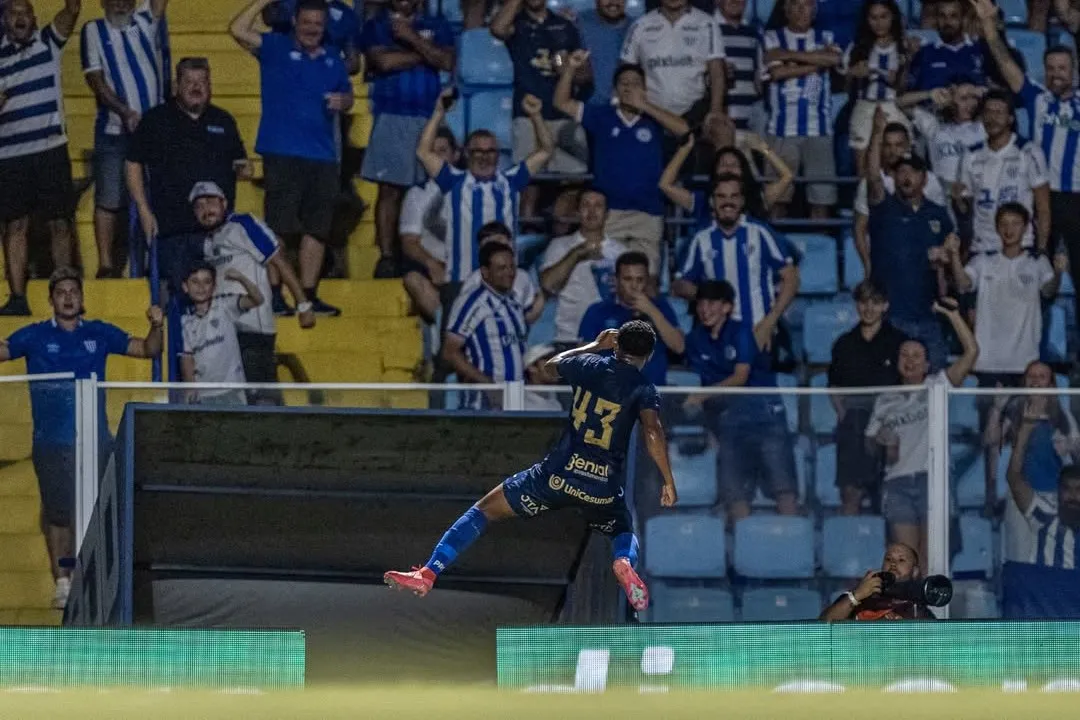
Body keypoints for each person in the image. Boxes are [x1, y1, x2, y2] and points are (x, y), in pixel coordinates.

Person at [384, 321, 679, 612]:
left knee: (484, 511)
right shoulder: (644, 388)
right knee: (622, 529)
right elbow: (652, 431)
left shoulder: (588, 364)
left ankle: (429, 573)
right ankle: (623, 562)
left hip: (556, 477)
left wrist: (594, 345)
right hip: (601, 488)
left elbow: (551, 367)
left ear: (616, 345)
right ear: (648, 356)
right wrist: (667, 480)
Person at [0, 267, 163, 608]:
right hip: (50, 442)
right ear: (51, 300)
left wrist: (157, 325)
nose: (69, 297)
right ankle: (63, 578)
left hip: (95, 439)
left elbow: (148, 350)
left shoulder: (100, 333)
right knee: (59, 515)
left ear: (82, 297)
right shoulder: (33, 336)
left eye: (74, 291)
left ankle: (92, 578)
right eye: (61, 292)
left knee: (93, 514)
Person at [229, 0, 352, 317]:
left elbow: (347, 94)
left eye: (318, 24)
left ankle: (309, 294)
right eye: (307, 22)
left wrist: (345, 101)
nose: (312, 29)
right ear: (295, 20)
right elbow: (237, 28)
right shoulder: (274, 47)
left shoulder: (332, 58)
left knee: (317, 228)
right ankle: (275, 294)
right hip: (282, 152)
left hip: (323, 154)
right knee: (279, 228)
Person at [975, 0, 1080, 315]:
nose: (1056, 74)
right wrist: (990, 27)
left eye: (1063, 69)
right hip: (1042, 201)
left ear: (1073, 72)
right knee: (1038, 275)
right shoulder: (1037, 99)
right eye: (1051, 69)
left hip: (1077, 199)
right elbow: (1005, 63)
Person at [416, 87, 553, 321]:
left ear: (498, 155)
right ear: (467, 154)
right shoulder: (454, 181)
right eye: (477, 151)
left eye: (490, 151)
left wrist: (536, 116)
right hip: (460, 280)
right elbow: (423, 151)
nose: (484, 156)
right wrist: (439, 111)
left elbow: (546, 150)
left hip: (502, 282)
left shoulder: (510, 182)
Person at [865, 297, 978, 566]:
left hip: (933, 481)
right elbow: (870, 444)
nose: (910, 361)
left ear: (927, 364)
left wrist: (952, 316)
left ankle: (928, 610)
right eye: (904, 355)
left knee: (930, 561)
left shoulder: (938, 384)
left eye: (917, 356)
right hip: (897, 483)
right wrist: (880, 442)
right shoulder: (885, 399)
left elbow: (972, 352)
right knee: (905, 563)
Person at [126, 57, 252, 292]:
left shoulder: (224, 120)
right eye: (189, 81)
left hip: (219, 234)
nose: (196, 87)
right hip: (174, 233)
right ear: (176, 86)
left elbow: (240, 162)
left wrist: (245, 168)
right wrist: (143, 209)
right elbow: (133, 163)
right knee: (180, 303)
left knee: (226, 300)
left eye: (202, 82)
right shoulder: (156, 120)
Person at [554, 54, 687, 274]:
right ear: (615, 90)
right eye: (623, 84)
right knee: (608, 278)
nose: (629, 88)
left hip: (649, 214)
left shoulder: (655, 119)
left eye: (635, 84)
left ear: (645, 89)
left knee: (648, 278)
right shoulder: (602, 116)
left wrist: (645, 106)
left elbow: (684, 130)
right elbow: (561, 103)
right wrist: (570, 69)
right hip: (610, 215)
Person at [680, 279, 799, 525]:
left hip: (766, 419)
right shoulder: (696, 339)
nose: (705, 309)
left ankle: (791, 549)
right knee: (734, 495)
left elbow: (740, 376)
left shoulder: (741, 331)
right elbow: (705, 384)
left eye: (712, 303)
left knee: (784, 490)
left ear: (726, 307)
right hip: (730, 425)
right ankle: (748, 554)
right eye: (701, 303)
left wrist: (700, 397)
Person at [195, 181, 314, 405]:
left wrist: (303, 305)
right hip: (225, 333)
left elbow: (278, 260)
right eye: (199, 206)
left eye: (211, 202)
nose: (206, 210)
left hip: (253, 328)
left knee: (261, 398)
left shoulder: (243, 224)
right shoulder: (206, 242)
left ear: (224, 203)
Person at [359, 0, 454, 279]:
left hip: (432, 114)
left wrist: (410, 40)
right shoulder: (376, 25)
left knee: (433, 188)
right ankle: (388, 257)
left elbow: (448, 62)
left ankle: (426, 253)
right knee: (390, 189)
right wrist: (426, 52)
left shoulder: (437, 24)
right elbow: (383, 62)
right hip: (392, 112)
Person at [0, 0, 80, 316]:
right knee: (14, 226)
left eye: (25, 12)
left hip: (50, 148)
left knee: (59, 223)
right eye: (13, 13)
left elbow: (73, 10)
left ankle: (67, 294)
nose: (19, 18)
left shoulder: (48, 41)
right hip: (9, 154)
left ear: (34, 18)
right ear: (4, 19)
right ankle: (18, 298)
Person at [81, 0, 169, 278]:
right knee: (108, 198)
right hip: (115, 129)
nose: (120, 3)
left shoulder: (146, 21)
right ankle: (107, 265)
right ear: (102, 3)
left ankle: (155, 260)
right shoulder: (93, 30)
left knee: (157, 197)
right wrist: (123, 111)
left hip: (154, 133)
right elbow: (95, 79)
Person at [865, 107, 953, 370]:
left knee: (936, 389)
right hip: (892, 317)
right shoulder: (883, 208)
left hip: (929, 316)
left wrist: (946, 257)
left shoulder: (938, 214)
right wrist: (877, 133)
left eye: (912, 171)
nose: (906, 177)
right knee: (892, 388)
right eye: (900, 172)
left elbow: (952, 257)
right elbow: (871, 177)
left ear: (924, 177)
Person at [673, 174, 800, 356]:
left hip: (758, 332)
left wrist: (769, 323)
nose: (728, 202)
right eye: (721, 196)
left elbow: (791, 279)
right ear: (712, 201)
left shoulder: (760, 233)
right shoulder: (701, 239)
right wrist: (706, 295)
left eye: (734, 196)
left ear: (742, 201)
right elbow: (679, 284)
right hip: (716, 337)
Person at [491, 0, 588, 221]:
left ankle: (559, 241)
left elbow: (585, 75)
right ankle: (525, 241)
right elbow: (497, 29)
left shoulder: (565, 25)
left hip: (564, 115)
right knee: (528, 182)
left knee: (574, 180)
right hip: (527, 114)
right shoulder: (517, 23)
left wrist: (567, 70)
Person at [829, 279, 909, 515]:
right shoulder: (843, 344)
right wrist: (845, 415)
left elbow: (907, 385)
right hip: (855, 421)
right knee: (850, 492)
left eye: (875, 303)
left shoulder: (899, 342)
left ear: (885, 306)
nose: (869, 308)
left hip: (891, 422)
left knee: (888, 495)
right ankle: (849, 547)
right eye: (864, 302)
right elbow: (834, 387)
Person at [985, 360, 1080, 560]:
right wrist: (996, 408)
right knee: (1019, 553)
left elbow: (1077, 453)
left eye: (1041, 376)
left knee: (1049, 554)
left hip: (1053, 500)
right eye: (1031, 376)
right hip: (1021, 497)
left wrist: (1070, 446)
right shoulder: (1015, 409)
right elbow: (990, 440)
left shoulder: (1062, 415)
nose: (1035, 380)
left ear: (1051, 385)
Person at [761, 0, 838, 220]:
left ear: (815, 9)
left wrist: (788, 57)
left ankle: (821, 252)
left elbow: (833, 58)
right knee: (777, 200)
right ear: (785, 9)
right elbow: (777, 74)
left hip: (819, 130)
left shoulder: (826, 37)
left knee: (821, 200)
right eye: (796, 4)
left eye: (807, 4)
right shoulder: (772, 37)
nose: (802, 10)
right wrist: (817, 64)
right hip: (781, 130)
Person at [953, 88, 1050, 255]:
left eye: (999, 112)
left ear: (1011, 118)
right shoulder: (970, 155)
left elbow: (1043, 208)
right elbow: (965, 210)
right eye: (988, 112)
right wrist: (958, 200)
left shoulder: (1028, 152)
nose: (992, 118)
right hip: (982, 248)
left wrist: (1041, 249)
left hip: (1021, 247)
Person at [853, 119, 947, 276]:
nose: (893, 151)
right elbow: (860, 229)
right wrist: (868, 265)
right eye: (888, 145)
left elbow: (940, 226)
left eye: (898, 145)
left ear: (909, 145)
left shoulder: (930, 182)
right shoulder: (869, 184)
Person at [440, 242, 528, 409]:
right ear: (485, 272)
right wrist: (488, 385)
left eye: (511, 267)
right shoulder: (473, 303)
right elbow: (450, 352)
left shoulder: (513, 301)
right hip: (482, 400)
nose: (509, 273)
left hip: (515, 396)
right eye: (501, 268)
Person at [540, 189, 629, 350]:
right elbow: (548, 285)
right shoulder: (559, 246)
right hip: (569, 338)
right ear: (577, 211)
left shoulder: (621, 252)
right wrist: (576, 255)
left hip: (609, 339)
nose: (592, 211)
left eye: (598, 206)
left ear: (607, 213)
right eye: (586, 205)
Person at [578, 251, 682, 387]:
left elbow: (679, 347)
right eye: (628, 279)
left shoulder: (660, 307)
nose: (634, 286)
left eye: (640, 280)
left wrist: (651, 311)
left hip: (652, 395)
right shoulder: (598, 311)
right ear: (615, 280)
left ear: (647, 280)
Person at [660, 132, 795, 232]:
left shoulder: (758, 198)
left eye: (734, 164)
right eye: (724, 164)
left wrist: (763, 148)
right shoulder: (701, 200)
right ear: (715, 170)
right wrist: (685, 148)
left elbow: (787, 176)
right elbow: (665, 185)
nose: (729, 168)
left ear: (743, 170)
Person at [619, 0, 725, 123]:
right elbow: (625, 71)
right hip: (651, 114)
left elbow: (717, 73)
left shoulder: (707, 23)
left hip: (695, 115)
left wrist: (716, 110)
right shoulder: (640, 25)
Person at [1006, 396, 1080, 569]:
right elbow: (1013, 477)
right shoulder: (1044, 515)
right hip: (1046, 593)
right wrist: (1025, 430)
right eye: (1067, 489)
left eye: (1079, 490)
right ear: (1059, 491)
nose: (1073, 496)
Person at [180, 263, 265, 405]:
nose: (201, 287)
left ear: (214, 287)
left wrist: (241, 278)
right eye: (195, 281)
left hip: (232, 389)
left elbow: (258, 299)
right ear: (185, 287)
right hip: (205, 393)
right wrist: (190, 387)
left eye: (207, 282)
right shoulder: (186, 322)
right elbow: (187, 357)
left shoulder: (225, 306)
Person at [843, 0, 910, 176]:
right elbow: (846, 87)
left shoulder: (905, 46)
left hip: (895, 107)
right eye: (873, 18)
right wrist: (852, 74)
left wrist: (899, 76)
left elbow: (905, 87)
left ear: (893, 17)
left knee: (899, 165)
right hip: (864, 107)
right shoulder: (857, 47)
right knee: (863, 170)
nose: (879, 23)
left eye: (883, 17)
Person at [399, 127, 458, 325]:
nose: (437, 157)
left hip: (469, 269)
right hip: (433, 270)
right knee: (412, 279)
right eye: (432, 151)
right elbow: (409, 242)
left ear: (455, 155)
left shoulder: (472, 187)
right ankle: (447, 331)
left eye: (443, 151)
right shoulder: (417, 194)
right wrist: (432, 264)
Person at [900, 81, 986, 189]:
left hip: (978, 195)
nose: (970, 104)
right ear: (950, 101)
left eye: (974, 98)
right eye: (963, 98)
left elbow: (1007, 103)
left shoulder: (984, 127)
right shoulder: (935, 127)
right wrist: (930, 94)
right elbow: (900, 102)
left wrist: (985, 92)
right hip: (944, 196)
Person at [819, 543, 937, 620]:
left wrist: (905, 630)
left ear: (915, 571)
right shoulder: (860, 595)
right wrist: (857, 595)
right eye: (888, 559)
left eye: (901, 560)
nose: (893, 564)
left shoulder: (917, 607)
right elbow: (823, 626)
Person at [458, 221, 544, 325]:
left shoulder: (523, 277)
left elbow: (527, 317)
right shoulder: (474, 280)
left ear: (510, 243)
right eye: (489, 244)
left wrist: (541, 297)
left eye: (499, 241)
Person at [907, 0, 986, 91]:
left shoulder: (979, 49)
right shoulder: (923, 51)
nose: (947, 22)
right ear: (936, 19)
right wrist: (907, 60)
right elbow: (904, 92)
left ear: (963, 18)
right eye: (942, 16)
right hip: (929, 104)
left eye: (953, 16)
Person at [716, 0, 761, 135]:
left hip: (752, 123)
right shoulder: (707, 29)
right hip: (721, 124)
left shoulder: (755, 33)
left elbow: (760, 79)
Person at [575, 0, 629, 109]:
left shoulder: (637, 27)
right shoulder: (580, 21)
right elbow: (558, 53)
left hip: (627, 109)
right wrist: (560, 64)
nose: (613, 2)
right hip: (587, 110)